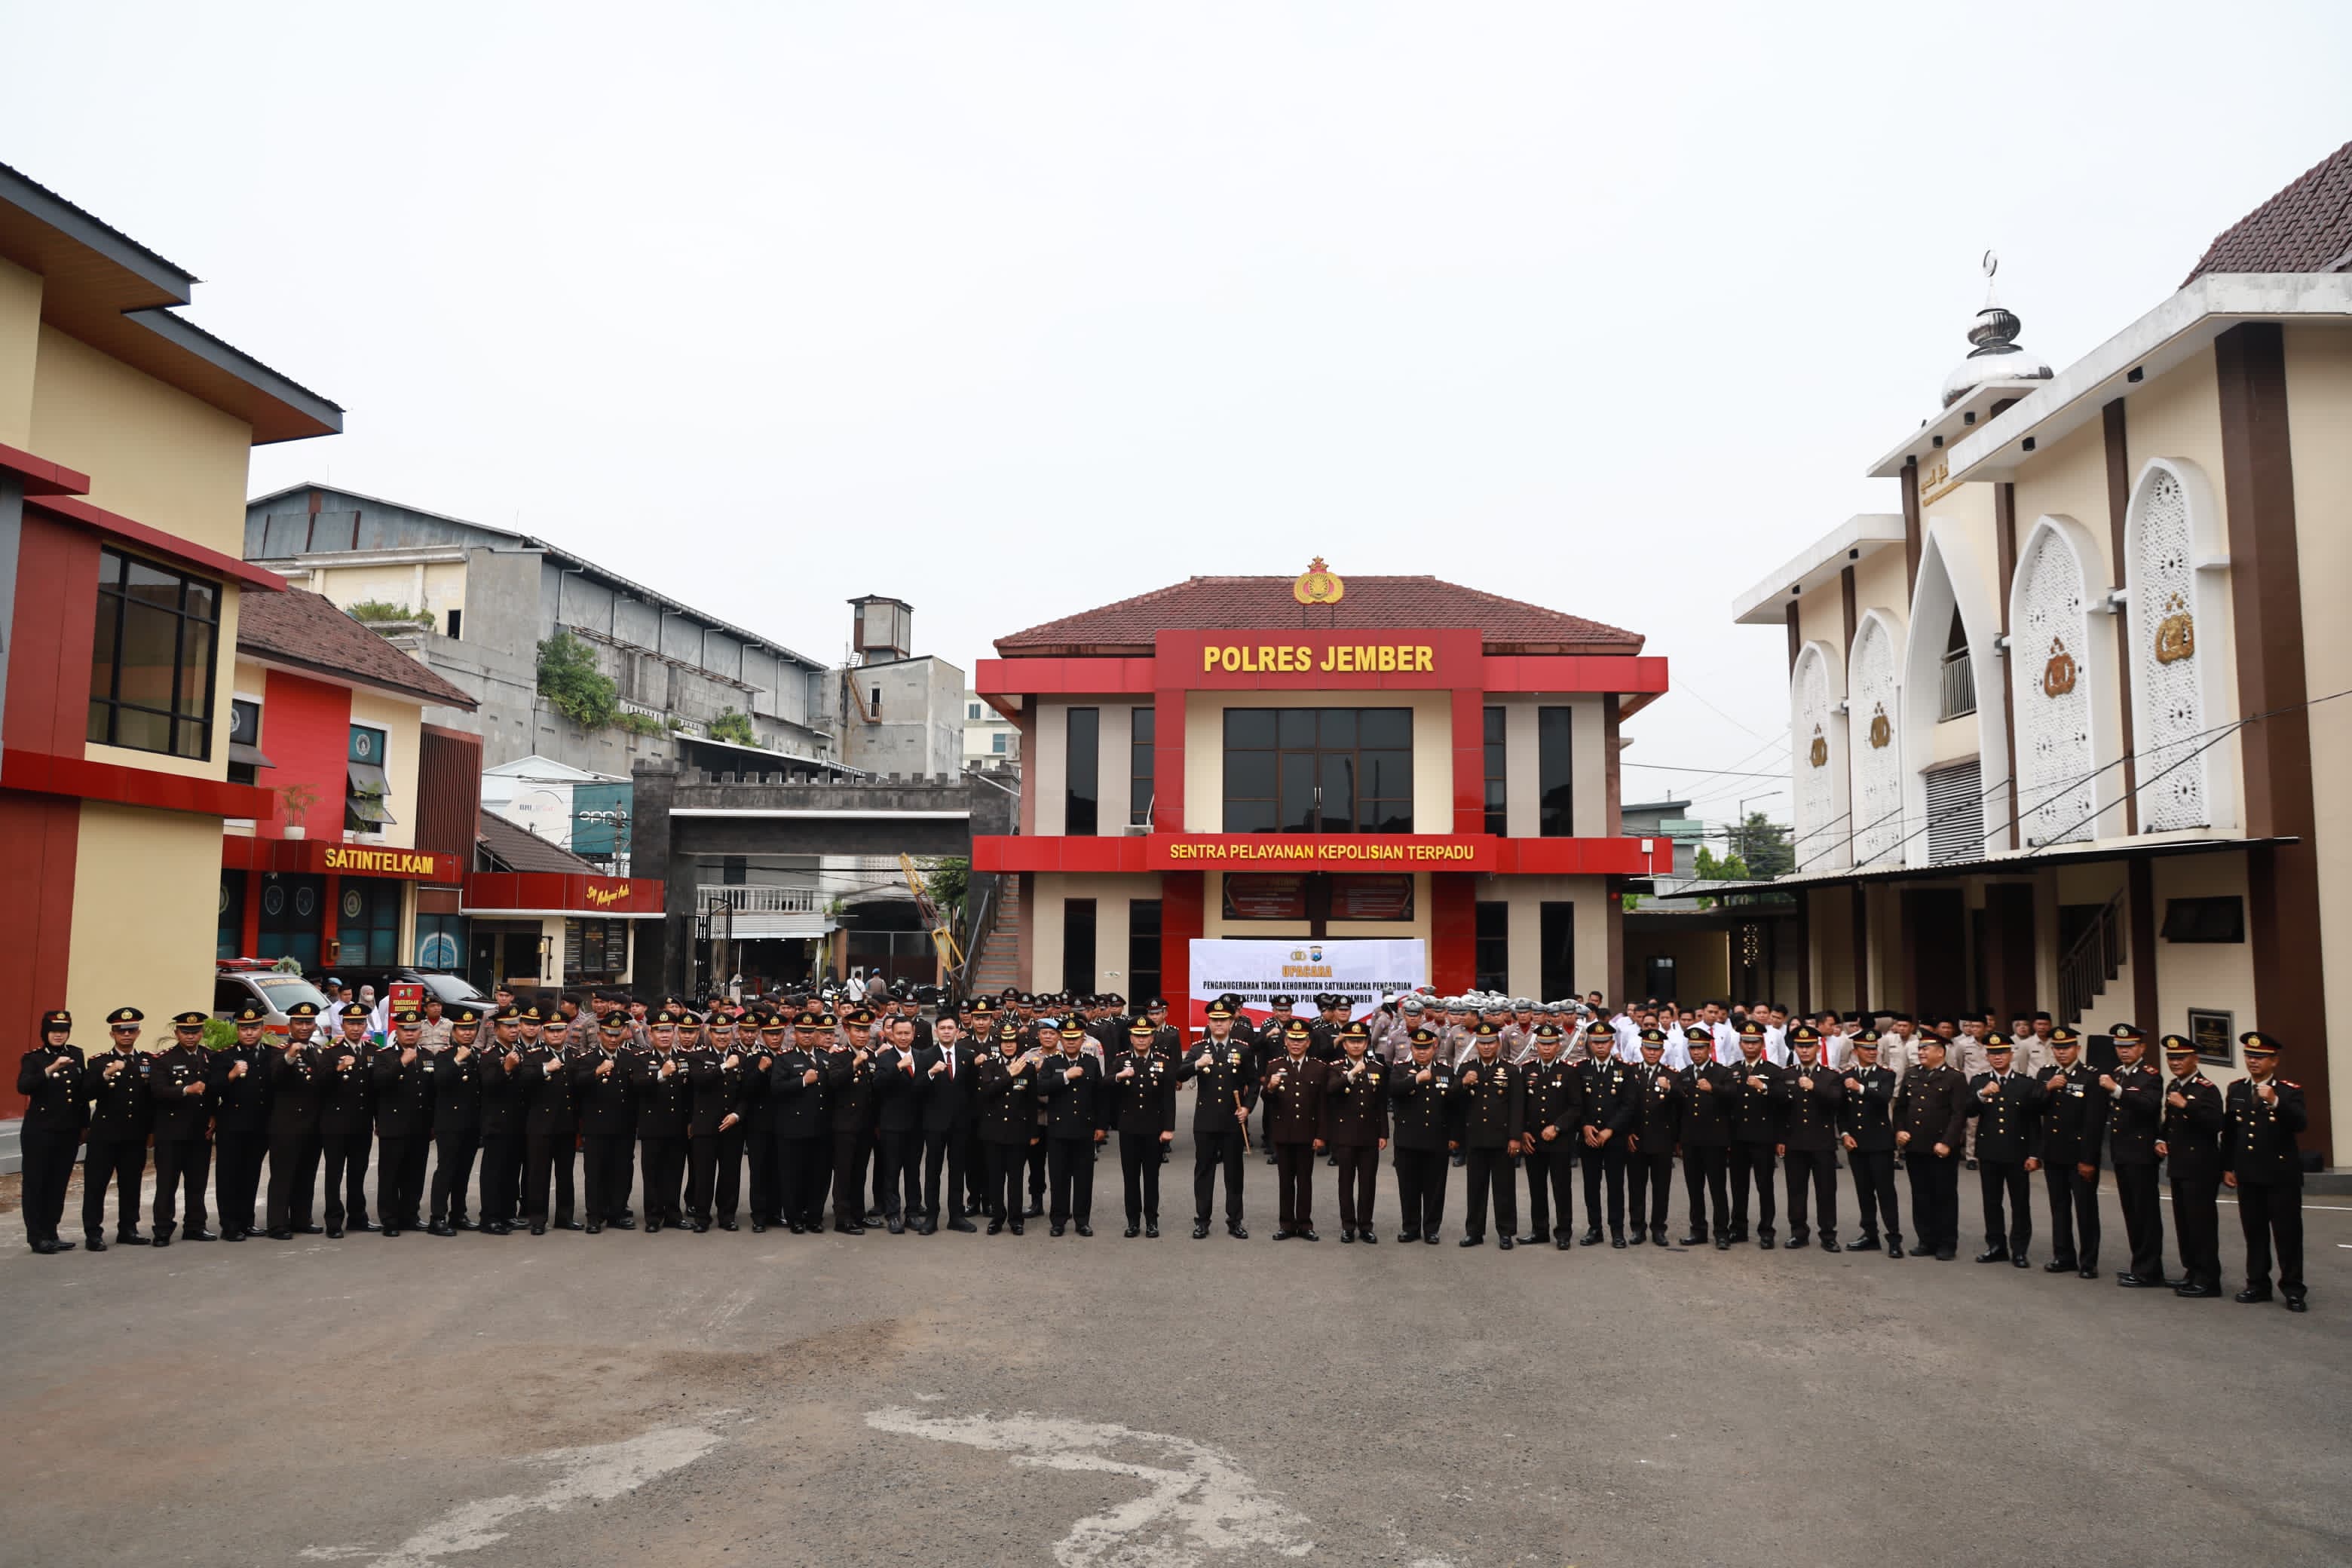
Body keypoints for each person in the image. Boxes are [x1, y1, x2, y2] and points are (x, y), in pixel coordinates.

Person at [2225, 1031, 2307, 1312]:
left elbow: (2300, 1124)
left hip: (2281, 1176)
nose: (2253, 1061)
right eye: (2249, 1056)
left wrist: (2275, 1102)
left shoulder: (2289, 1091)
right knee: (2255, 1232)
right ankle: (2257, 1284)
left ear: (2274, 1061)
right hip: (2249, 1174)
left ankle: (2293, 1288)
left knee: (2287, 1235)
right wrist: (2228, 1166)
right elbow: (2231, 1132)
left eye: (2260, 1057)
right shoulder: (2237, 1089)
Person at [2029, 1025, 2105, 1279]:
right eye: (2058, 1048)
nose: (2062, 1052)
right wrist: (2047, 1088)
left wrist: (2088, 1159)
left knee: (2086, 1209)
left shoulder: (2090, 1076)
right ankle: (2063, 1256)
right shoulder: (2046, 1074)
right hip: (2054, 1152)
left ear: (2078, 1049)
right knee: (2059, 1207)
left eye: (2067, 1048)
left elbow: (2094, 1123)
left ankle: (2088, 1261)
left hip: (2080, 1154)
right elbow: (2033, 1106)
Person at [1176, 1000, 1256, 1239]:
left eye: (1223, 1020)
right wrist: (1196, 1064)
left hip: (1233, 1121)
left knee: (1234, 1173)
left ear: (1231, 1022)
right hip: (1206, 1120)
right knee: (1204, 1172)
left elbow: (1253, 1083)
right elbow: (1179, 1074)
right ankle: (1202, 1221)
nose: (1218, 1024)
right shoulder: (1198, 1048)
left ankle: (1235, 1221)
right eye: (1214, 1020)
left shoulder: (1242, 1049)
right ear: (1209, 1022)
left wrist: (1247, 1108)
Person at [1963, 1031, 2041, 1269]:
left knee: (2020, 1203)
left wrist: (2034, 1154)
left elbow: (2033, 1122)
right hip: (1989, 1151)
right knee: (1992, 1202)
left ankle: (2020, 1250)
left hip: (2017, 1152)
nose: (1998, 1057)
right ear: (1987, 1056)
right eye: (1993, 1053)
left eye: (2002, 1052)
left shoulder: (2025, 1083)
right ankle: (1996, 1246)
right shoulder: (1979, 1081)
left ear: (2011, 1054)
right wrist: (1982, 1094)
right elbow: (1968, 1110)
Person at [81, 1006, 156, 1248]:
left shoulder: (147, 1061)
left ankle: (128, 1229)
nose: (126, 1035)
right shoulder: (99, 1062)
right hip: (105, 1134)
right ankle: (93, 1233)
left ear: (138, 1033)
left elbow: (152, 1100)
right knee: (96, 1185)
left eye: (131, 1030)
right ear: (112, 1034)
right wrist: (106, 1074)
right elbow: (86, 1093)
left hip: (134, 1134)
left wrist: (151, 1131)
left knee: (131, 1185)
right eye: (121, 1031)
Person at [2158, 1034, 2225, 1299]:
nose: (2175, 1063)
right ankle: (2192, 1271)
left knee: (2201, 1224)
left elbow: (2215, 1123)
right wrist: (2161, 1139)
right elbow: (2170, 1122)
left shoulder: (2207, 1089)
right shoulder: (2174, 1086)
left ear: (2195, 1059)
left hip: (2201, 1167)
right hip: (2179, 1165)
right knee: (2184, 1223)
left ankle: (2208, 1279)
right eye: (2171, 1058)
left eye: (2181, 1058)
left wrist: (2187, 1106)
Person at [148, 1010, 221, 1246]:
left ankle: (195, 1225)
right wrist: (185, 1090)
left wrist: (214, 1115)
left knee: (197, 1183)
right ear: (177, 1033)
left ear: (201, 1033)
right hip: (171, 1132)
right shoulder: (163, 1060)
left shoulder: (209, 1057)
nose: (190, 1036)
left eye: (195, 1032)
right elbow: (157, 1092)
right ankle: (162, 1229)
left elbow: (214, 1091)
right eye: (185, 1032)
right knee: (167, 1184)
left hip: (199, 1131)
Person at [2103, 1024, 2168, 1287]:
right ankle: (2139, 1264)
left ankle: (2149, 1270)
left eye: (2129, 1047)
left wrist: (2117, 1091)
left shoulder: (2150, 1076)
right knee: (2131, 1212)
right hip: (2122, 1152)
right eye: (2120, 1047)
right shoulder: (2119, 1073)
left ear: (2141, 1048)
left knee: (2145, 1213)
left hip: (2141, 1153)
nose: (2124, 1051)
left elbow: (2148, 1105)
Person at [1893, 1035, 1968, 1261]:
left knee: (1944, 1196)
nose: (1921, 1052)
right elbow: (1901, 1108)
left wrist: (1948, 1142)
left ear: (1940, 1052)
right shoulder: (1912, 1074)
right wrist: (1900, 1130)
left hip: (1941, 1147)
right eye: (1920, 1049)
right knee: (1921, 1195)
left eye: (1926, 1049)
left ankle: (1947, 1243)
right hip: (1915, 1146)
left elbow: (1959, 1114)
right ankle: (1926, 1240)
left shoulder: (1955, 1077)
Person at [18, 1009, 86, 1254]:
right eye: (54, 1031)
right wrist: (50, 1069)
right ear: (45, 1032)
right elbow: (23, 1086)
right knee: (37, 1183)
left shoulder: (76, 1054)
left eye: (63, 1031)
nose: (59, 1035)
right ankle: (36, 1237)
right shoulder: (34, 1059)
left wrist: (84, 1126)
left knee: (58, 1184)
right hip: (40, 1131)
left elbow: (80, 1094)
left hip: (67, 1130)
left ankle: (51, 1232)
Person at [1453, 1021, 1523, 1248]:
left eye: (1490, 1042)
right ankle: (1474, 1232)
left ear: (1498, 1044)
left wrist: (1515, 1137)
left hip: (1502, 1139)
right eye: (1482, 1043)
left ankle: (1506, 1232)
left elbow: (1517, 1106)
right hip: (1475, 1138)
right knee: (1476, 1188)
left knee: (1504, 1188)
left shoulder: (1510, 1071)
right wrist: (1463, 1083)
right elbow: (1453, 1100)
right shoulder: (1466, 1068)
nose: (1486, 1047)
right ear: (1477, 1045)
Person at [1260, 1018, 1329, 1240]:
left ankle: (1305, 1225)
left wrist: (1321, 1135)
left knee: (1305, 1181)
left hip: (1307, 1133)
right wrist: (1270, 1087)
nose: (1296, 1044)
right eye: (1292, 1039)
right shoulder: (1274, 1066)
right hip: (1283, 1132)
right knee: (1285, 1181)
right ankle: (1287, 1225)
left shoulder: (1319, 1067)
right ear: (1285, 1041)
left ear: (1308, 1042)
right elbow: (1266, 1098)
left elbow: (1322, 1105)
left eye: (1301, 1040)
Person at [1319, 1021, 1387, 1244]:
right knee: (1346, 1182)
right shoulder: (1335, 1067)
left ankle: (1366, 1226)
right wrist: (1350, 1075)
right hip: (1345, 1134)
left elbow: (1381, 1104)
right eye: (1351, 1041)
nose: (1356, 1045)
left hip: (1369, 1134)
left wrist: (1383, 1133)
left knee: (1368, 1183)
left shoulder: (1377, 1068)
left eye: (1360, 1041)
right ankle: (1348, 1226)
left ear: (1366, 1043)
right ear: (1344, 1044)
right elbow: (1330, 1090)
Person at [1107, 1018, 1176, 1237]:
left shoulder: (1163, 1062)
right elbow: (1104, 1084)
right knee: (1130, 1178)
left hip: (1154, 1129)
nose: (1141, 1039)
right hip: (1129, 1129)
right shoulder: (1122, 1060)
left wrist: (1169, 1128)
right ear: (1131, 1038)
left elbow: (1169, 1099)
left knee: (1151, 1178)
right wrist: (1119, 1076)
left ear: (1152, 1038)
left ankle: (1152, 1221)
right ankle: (1133, 1221)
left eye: (1145, 1035)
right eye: (1137, 1035)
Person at [263, 1003, 326, 1239]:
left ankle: (302, 1219)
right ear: (289, 1026)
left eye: (308, 1022)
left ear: (315, 1025)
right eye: (299, 1023)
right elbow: (275, 1076)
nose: (304, 1027)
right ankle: (278, 1224)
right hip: (287, 1126)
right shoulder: (279, 1051)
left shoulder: (318, 1051)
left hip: (312, 1125)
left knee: (306, 1175)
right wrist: (289, 1057)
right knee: (283, 1176)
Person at [370, 1008, 434, 1238]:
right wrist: (402, 1063)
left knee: (415, 1174)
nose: (410, 1034)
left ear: (420, 1032)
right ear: (396, 1031)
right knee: (390, 1175)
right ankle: (389, 1219)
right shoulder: (384, 1055)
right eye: (405, 1029)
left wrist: (433, 1123)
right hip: (393, 1125)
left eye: (414, 1029)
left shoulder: (427, 1055)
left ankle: (410, 1215)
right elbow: (379, 1083)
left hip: (420, 1125)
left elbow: (432, 1093)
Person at [212, 1002, 274, 1242]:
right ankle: (229, 1225)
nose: (249, 1033)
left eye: (254, 1028)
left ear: (262, 1029)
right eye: (244, 1028)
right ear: (237, 1030)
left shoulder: (271, 1054)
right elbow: (213, 1089)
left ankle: (247, 1221)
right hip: (232, 1125)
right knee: (229, 1176)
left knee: (251, 1174)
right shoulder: (225, 1056)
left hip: (260, 1125)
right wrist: (231, 1075)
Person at [1836, 1030, 1902, 1256]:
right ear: (1856, 1051)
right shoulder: (1846, 1076)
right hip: (1856, 1142)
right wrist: (1845, 1133)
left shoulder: (1886, 1075)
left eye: (1875, 1049)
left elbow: (1884, 1097)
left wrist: (1861, 1088)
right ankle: (1870, 1234)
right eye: (1866, 1049)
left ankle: (1894, 1237)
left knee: (1885, 1192)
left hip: (1880, 1142)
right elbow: (1842, 1111)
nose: (1872, 1052)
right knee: (1864, 1192)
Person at [1778, 1024, 1842, 1251]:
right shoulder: (1787, 1074)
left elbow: (1837, 1101)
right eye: (1800, 1046)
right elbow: (1780, 1110)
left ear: (1818, 1047)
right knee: (1796, 1190)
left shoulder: (1830, 1076)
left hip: (1822, 1141)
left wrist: (1814, 1087)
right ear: (1795, 1048)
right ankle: (1798, 1232)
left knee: (1826, 1191)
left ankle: (1828, 1234)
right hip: (1795, 1141)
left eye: (1809, 1046)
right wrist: (1781, 1139)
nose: (1804, 1050)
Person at [1039, 1017, 1105, 1237]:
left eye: (1075, 1038)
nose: (1070, 1042)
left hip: (1084, 1129)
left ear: (1082, 1039)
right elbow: (1041, 1087)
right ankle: (1058, 1220)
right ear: (1061, 1039)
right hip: (1058, 1130)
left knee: (1084, 1178)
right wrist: (1066, 1076)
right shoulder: (1052, 1063)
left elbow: (1099, 1096)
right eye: (1067, 1038)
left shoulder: (1091, 1063)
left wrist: (1101, 1126)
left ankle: (1082, 1220)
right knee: (1059, 1178)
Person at [1516, 1021, 1580, 1251]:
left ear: (1558, 1045)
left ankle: (1563, 1232)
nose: (1546, 1048)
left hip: (1559, 1140)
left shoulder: (1569, 1071)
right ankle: (1540, 1230)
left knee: (1561, 1188)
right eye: (1542, 1044)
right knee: (1537, 1188)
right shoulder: (1527, 1070)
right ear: (1536, 1045)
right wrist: (1523, 1131)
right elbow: (1520, 1105)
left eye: (1550, 1044)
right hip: (1533, 1140)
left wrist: (1558, 1127)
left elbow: (1576, 1107)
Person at [1386, 1028, 1453, 1244]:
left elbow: (1454, 1106)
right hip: (1408, 1140)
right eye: (1417, 1048)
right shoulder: (1401, 1070)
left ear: (1434, 1048)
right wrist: (1416, 1079)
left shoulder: (1446, 1071)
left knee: (1435, 1188)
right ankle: (1410, 1228)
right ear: (1412, 1048)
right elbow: (1393, 1090)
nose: (1422, 1052)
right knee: (1409, 1187)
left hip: (1437, 1139)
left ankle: (1432, 1229)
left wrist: (1454, 1136)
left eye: (1426, 1048)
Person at [519, 1006, 582, 1236]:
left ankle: (565, 1217)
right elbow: (524, 1079)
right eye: (551, 1030)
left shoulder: (574, 1055)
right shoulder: (533, 1056)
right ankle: (537, 1219)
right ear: (543, 1032)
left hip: (566, 1124)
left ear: (567, 1031)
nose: (556, 1034)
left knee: (565, 1174)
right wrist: (545, 1069)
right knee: (539, 1174)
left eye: (560, 1030)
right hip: (540, 1125)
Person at [685, 1011, 751, 1232]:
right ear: (710, 1033)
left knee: (730, 1174)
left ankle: (727, 1216)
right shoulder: (697, 1056)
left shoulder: (742, 1056)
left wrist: (737, 1115)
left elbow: (746, 1093)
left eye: (726, 1033)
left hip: (732, 1124)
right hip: (705, 1124)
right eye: (718, 1033)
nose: (722, 1037)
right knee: (703, 1174)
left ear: (732, 1033)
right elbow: (698, 1080)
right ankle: (701, 1217)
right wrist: (724, 1067)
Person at [575, 1011, 639, 1234]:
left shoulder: (630, 1057)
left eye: (617, 1034)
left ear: (623, 1033)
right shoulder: (588, 1059)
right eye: (608, 1034)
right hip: (597, 1125)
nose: (613, 1039)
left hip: (624, 1124)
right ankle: (594, 1216)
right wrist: (596, 1072)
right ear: (600, 1034)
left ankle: (617, 1213)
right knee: (595, 1172)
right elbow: (577, 1083)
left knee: (622, 1170)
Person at [317, 1002, 377, 1238]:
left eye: (360, 1023)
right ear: (342, 1025)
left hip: (362, 1123)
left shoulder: (372, 1051)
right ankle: (333, 1221)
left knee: (357, 1172)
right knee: (334, 1174)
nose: (356, 1028)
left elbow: (375, 1089)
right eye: (351, 1023)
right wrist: (340, 1067)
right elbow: (321, 1084)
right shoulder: (330, 1052)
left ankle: (357, 1217)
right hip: (336, 1124)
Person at [1725, 1019, 1787, 1248]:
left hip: (1763, 1137)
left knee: (1765, 1186)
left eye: (1754, 1042)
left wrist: (1764, 1088)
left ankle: (1766, 1231)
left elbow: (1783, 1101)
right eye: (1746, 1042)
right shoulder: (1733, 1070)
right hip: (1738, 1137)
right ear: (1740, 1044)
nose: (1750, 1046)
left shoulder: (1773, 1071)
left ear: (1762, 1044)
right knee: (1738, 1186)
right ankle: (1738, 1228)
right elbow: (1727, 1106)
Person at [1573, 1019, 1634, 1246]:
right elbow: (1576, 1103)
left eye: (1605, 1042)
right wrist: (1584, 1126)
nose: (1600, 1046)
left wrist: (1610, 1129)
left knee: (1615, 1186)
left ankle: (1617, 1231)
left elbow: (1629, 1105)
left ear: (1612, 1043)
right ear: (1590, 1043)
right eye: (1596, 1042)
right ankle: (1595, 1228)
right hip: (1589, 1137)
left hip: (1614, 1138)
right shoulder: (1581, 1070)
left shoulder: (1624, 1070)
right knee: (1591, 1185)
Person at [425, 1004, 485, 1236]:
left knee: (464, 1171)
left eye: (471, 1028)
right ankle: (437, 1217)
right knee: (446, 1170)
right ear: (454, 1031)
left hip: (471, 1123)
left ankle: (458, 1214)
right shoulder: (444, 1056)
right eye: (462, 1029)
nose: (468, 1033)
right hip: (449, 1123)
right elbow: (439, 1081)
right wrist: (457, 1060)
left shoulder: (478, 1055)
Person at [975, 1021, 1040, 1234]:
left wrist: (1033, 1133)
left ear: (1017, 1043)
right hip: (992, 1131)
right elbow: (985, 1093)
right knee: (995, 1178)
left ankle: (1015, 1219)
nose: (1009, 1045)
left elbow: (1032, 1103)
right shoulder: (989, 1065)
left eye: (1012, 1041)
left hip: (1017, 1131)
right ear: (999, 1043)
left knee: (1015, 1178)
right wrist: (1009, 1075)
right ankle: (997, 1217)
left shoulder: (1028, 1068)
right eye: (1005, 1041)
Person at [920, 1012, 980, 1233]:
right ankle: (931, 1217)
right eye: (942, 1028)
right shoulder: (925, 1056)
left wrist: (969, 1120)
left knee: (957, 1171)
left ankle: (956, 1216)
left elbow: (972, 1091)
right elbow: (917, 1088)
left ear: (957, 1031)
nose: (946, 1032)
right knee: (932, 1172)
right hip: (934, 1124)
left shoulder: (967, 1056)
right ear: (936, 1031)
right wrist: (931, 1073)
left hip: (960, 1125)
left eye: (950, 1028)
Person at [1677, 1024, 1735, 1248]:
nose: (1696, 1052)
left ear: (1709, 1048)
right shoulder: (1684, 1074)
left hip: (1714, 1140)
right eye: (1692, 1048)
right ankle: (1698, 1230)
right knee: (1694, 1188)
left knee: (1717, 1188)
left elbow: (1733, 1097)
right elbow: (1679, 1110)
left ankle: (1722, 1232)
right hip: (1691, 1140)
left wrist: (1713, 1089)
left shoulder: (1722, 1073)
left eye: (1700, 1048)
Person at [633, 1013, 691, 1232]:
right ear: (651, 1034)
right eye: (659, 1031)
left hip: (678, 1125)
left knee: (675, 1172)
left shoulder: (684, 1057)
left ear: (674, 1033)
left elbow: (691, 1092)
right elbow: (637, 1084)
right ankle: (653, 1217)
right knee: (652, 1173)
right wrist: (660, 1074)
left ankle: (673, 1214)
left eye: (668, 1031)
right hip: (653, 1125)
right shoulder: (641, 1058)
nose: (664, 1035)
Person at [825, 1009, 881, 1233]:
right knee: (844, 1173)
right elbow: (834, 1082)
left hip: (865, 1125)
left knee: (860, 1172)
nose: (862, 1035)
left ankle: (858, 1214)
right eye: (858, 1030)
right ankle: (843, 1218)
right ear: (847, 1031)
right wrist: (855, 1063)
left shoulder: (872, 1055)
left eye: (866, 1030)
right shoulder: (839, 1055)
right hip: (844, 1125)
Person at [476, 1006, 529, 1236]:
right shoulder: (489, 1055)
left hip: (517, 1122)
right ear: (496, 1029)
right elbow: (487, 1085)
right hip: (497, 1123)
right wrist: (506, 1069)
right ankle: (490, 1217)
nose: (514, 1030)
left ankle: (508, 1213)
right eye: (508, 1026)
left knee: (511, 1171)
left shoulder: (520, 1051)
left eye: (516, 1026)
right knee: (494, 1172)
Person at [1623, 1028, 1680, 1247]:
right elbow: (1624, 1106)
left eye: (1656, 1049)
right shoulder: (1631, 1072)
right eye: (1648, 1048)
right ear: (1641, 1049)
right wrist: (1627, 1132)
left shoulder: (1672, 1075)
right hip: (1636, 1139)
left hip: (1662, 1140)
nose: (1652, 1052)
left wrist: (1670, 1088)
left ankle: (1659, 1229)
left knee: (1661, 1188)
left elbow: (1682, 1104)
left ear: (1663, 1051)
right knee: (1636, 1187)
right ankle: (1637, 1228)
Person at [873, 1015, 927, 1233]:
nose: (903, 1037)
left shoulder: (922, 1056)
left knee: (913, 1172)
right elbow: (877, 1085)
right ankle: (893, 1214)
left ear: (913, 1034)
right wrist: (898, 1067)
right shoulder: (885, 1058)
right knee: (892, 1171)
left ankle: (913, 1212)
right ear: (891, 1035)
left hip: (916, 1126)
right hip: (892, 1126)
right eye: (899, 1033)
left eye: (907, 1033)